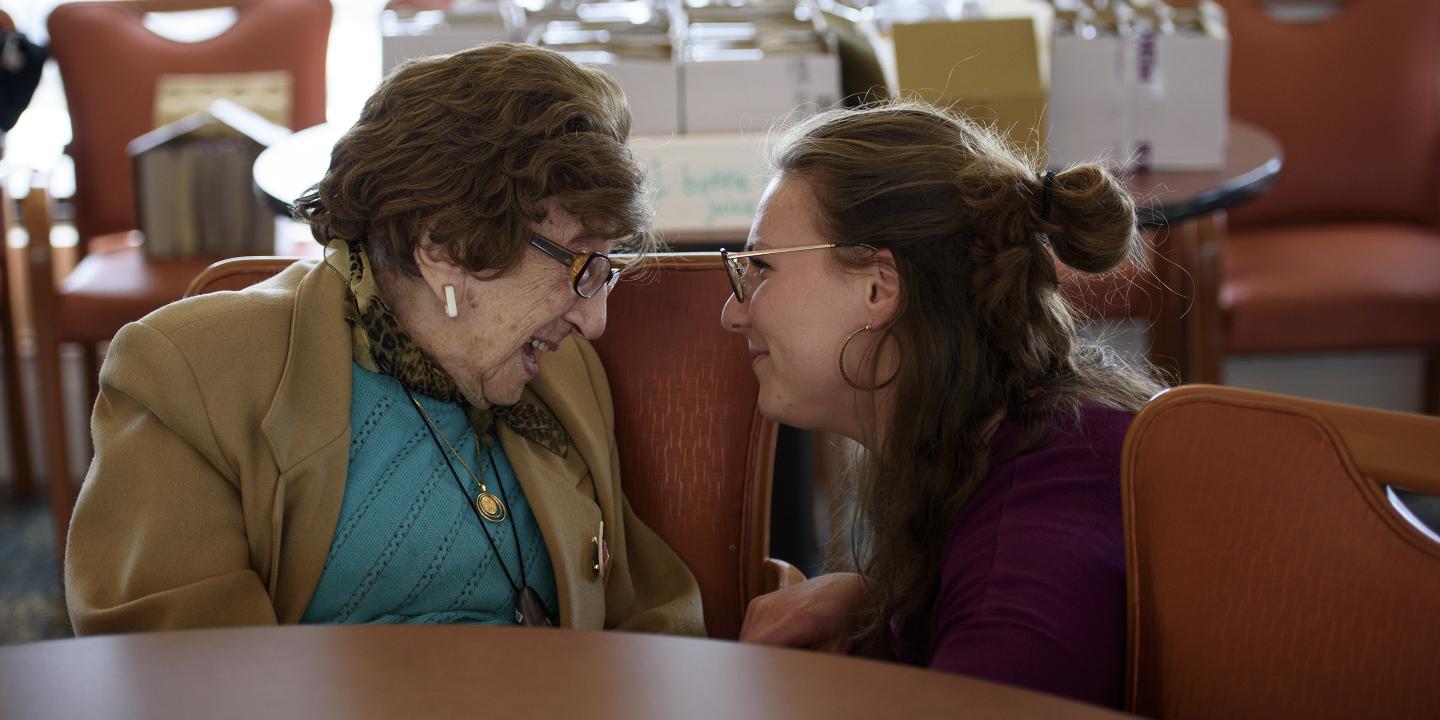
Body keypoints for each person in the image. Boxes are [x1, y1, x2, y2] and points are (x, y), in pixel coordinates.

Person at [65, 43, 703, 635]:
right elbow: (183, 677)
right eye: (577, 264)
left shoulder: (561, 374)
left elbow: (644, 615)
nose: (594, 321)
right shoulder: (193, 375)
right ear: (443, 247)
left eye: (605, 269)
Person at [722, 101, 1162, 707]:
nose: (733, 311)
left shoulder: (1024, 556)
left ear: (879, 288)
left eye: (759, 268)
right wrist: (886, 609)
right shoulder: (1031, 440)